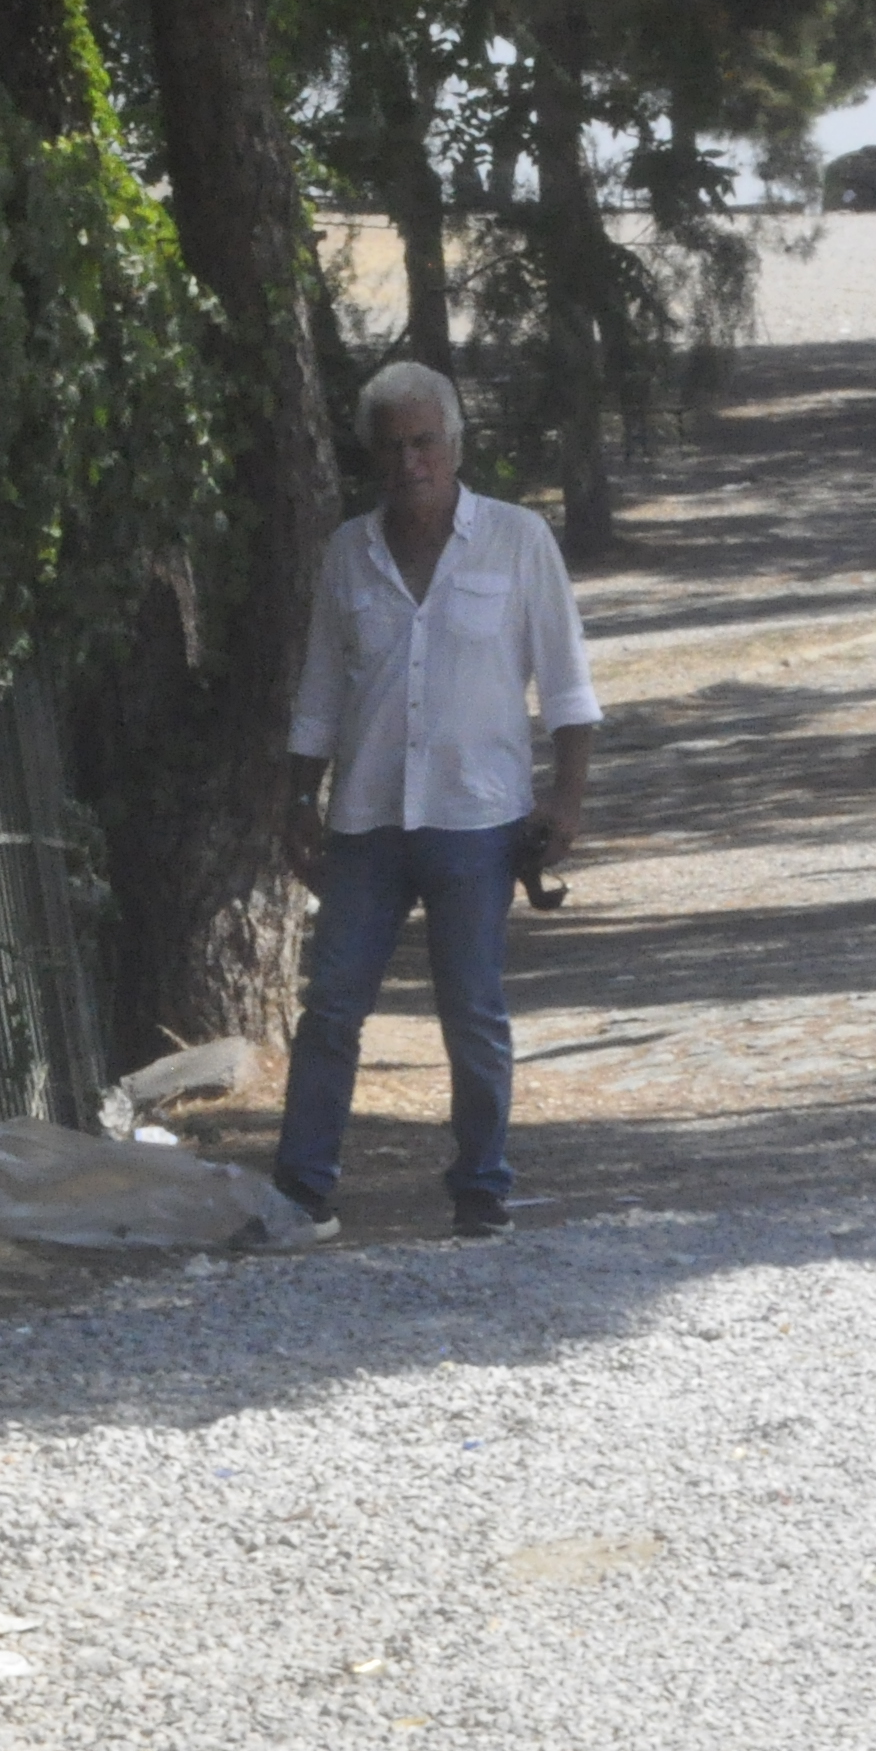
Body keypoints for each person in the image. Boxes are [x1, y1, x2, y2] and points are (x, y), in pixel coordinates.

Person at [274, 360, 599, 1240]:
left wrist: (565, 803)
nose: (409, 463)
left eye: (424, 443)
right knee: (334, 1006)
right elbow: (318, 692)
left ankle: (482, 1186)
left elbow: (568, 688)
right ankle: (300, 1191)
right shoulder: (348, 553)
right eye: (391, 448)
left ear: (455, 445)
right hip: (367, 821)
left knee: (473, 1011)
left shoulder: (518, 540)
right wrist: (299, 798)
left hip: (477, 818)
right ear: (371, 457)